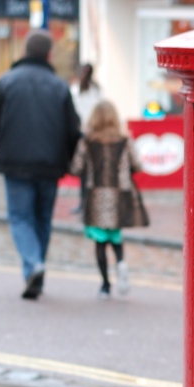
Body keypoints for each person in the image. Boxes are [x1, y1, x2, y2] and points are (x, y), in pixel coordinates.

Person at [0, 30, 80, 299]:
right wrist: (67, 158)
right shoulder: (60, 86)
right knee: (42, 219)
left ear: (24, 52)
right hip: (51, 165)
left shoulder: (7, 82)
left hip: (15, 163)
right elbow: (73, 130)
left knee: (21, 217)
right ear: (48, 55)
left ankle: (33, 266)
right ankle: (36, 271)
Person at [70, 99, 149, 298]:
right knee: (115, 237)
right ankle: (121, 264)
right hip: (119, 196)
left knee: (99, 242)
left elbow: (76, 167)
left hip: (96, 196)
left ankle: (105, 285)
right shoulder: (124, 140)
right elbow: (137, 164)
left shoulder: (87, 141)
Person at [70, 63, 102, 214]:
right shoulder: (96, 90)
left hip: (83, 133)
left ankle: (84, 202)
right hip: (94, 133)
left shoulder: (77, 90)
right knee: (93, 171)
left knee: (84, 172)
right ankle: (90, 203)